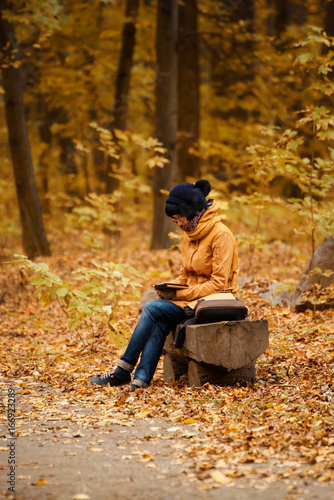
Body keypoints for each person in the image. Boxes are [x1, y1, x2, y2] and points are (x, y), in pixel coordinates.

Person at [90, 179, 239, 389]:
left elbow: (219, 283)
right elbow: (185, 275)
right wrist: (170, 287)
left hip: (216, 302)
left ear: (192, 211)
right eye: (174, 220)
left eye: (179, 217)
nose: (178, 223)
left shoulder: (221, 235)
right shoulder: (190, 234)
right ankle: (140, 381)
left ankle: (122, 370)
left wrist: (180, 295)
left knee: (152, 309)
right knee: (159, 319)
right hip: (192, 301)